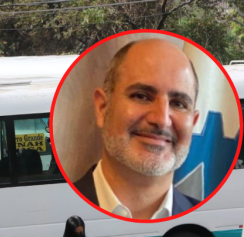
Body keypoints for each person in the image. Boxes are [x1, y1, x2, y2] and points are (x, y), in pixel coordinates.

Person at [74, 39, 201, 220]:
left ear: (193, 122)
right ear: (102, 108)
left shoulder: (203, 216)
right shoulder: (56, 211)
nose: (162, 120)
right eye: (141, 96)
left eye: (178, 104)